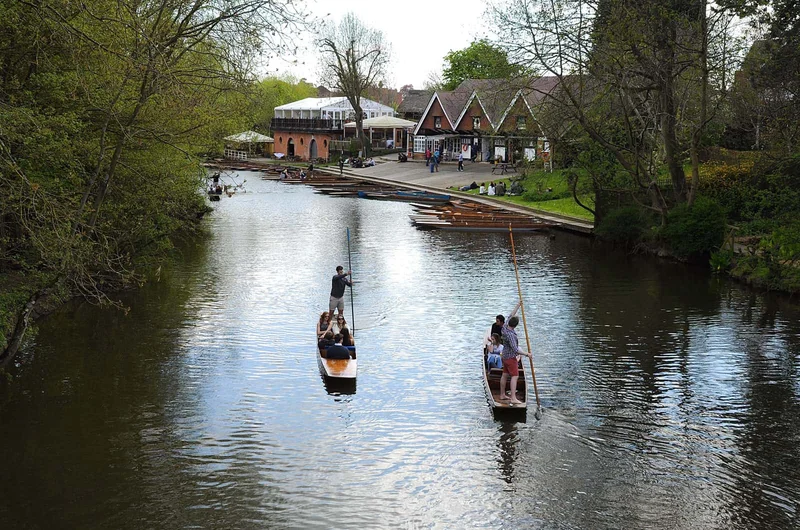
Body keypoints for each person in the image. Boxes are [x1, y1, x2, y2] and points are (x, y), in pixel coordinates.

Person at [499, 302, 532, 405]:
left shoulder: (504, 327)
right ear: (516, 325)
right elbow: (515, 349)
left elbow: (511, 315)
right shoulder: (511, 335)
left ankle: (502, 395)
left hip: (504, 356)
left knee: (504, 374)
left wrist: (518, 305)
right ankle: (513, 398)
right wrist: (527, 354)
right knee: (515, 376)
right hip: (510, 358)